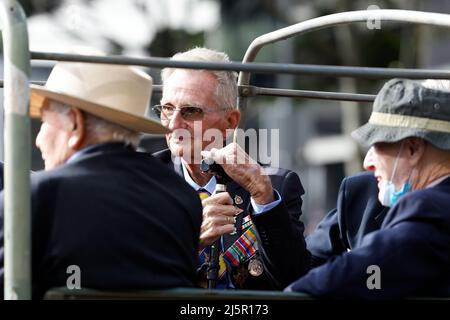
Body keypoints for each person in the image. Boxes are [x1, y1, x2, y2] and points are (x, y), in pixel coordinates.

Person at [0, 61, 203, 299]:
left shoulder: (31, 197)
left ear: (75, 124)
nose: (39, 139)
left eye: (45, 121)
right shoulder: (183, 198)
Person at [153, 47, 310, 290]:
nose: (173, 124)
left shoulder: (274, 186)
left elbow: (293, 281)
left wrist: (263, 198)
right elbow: (123, 274)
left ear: (230, 122)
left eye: (190, 111)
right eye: (167, 108)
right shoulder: (141, 180)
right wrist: (190, 241)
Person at [286, 78, 450, 299]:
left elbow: (355, 273)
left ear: (413, 149)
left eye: (380, 144)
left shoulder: (428, 207)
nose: (368, 162)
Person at [306, 171, 387, 268]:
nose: (368, 163)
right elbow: (306, 261)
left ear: (411, 156)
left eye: (380, 154)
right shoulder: (363, 194)